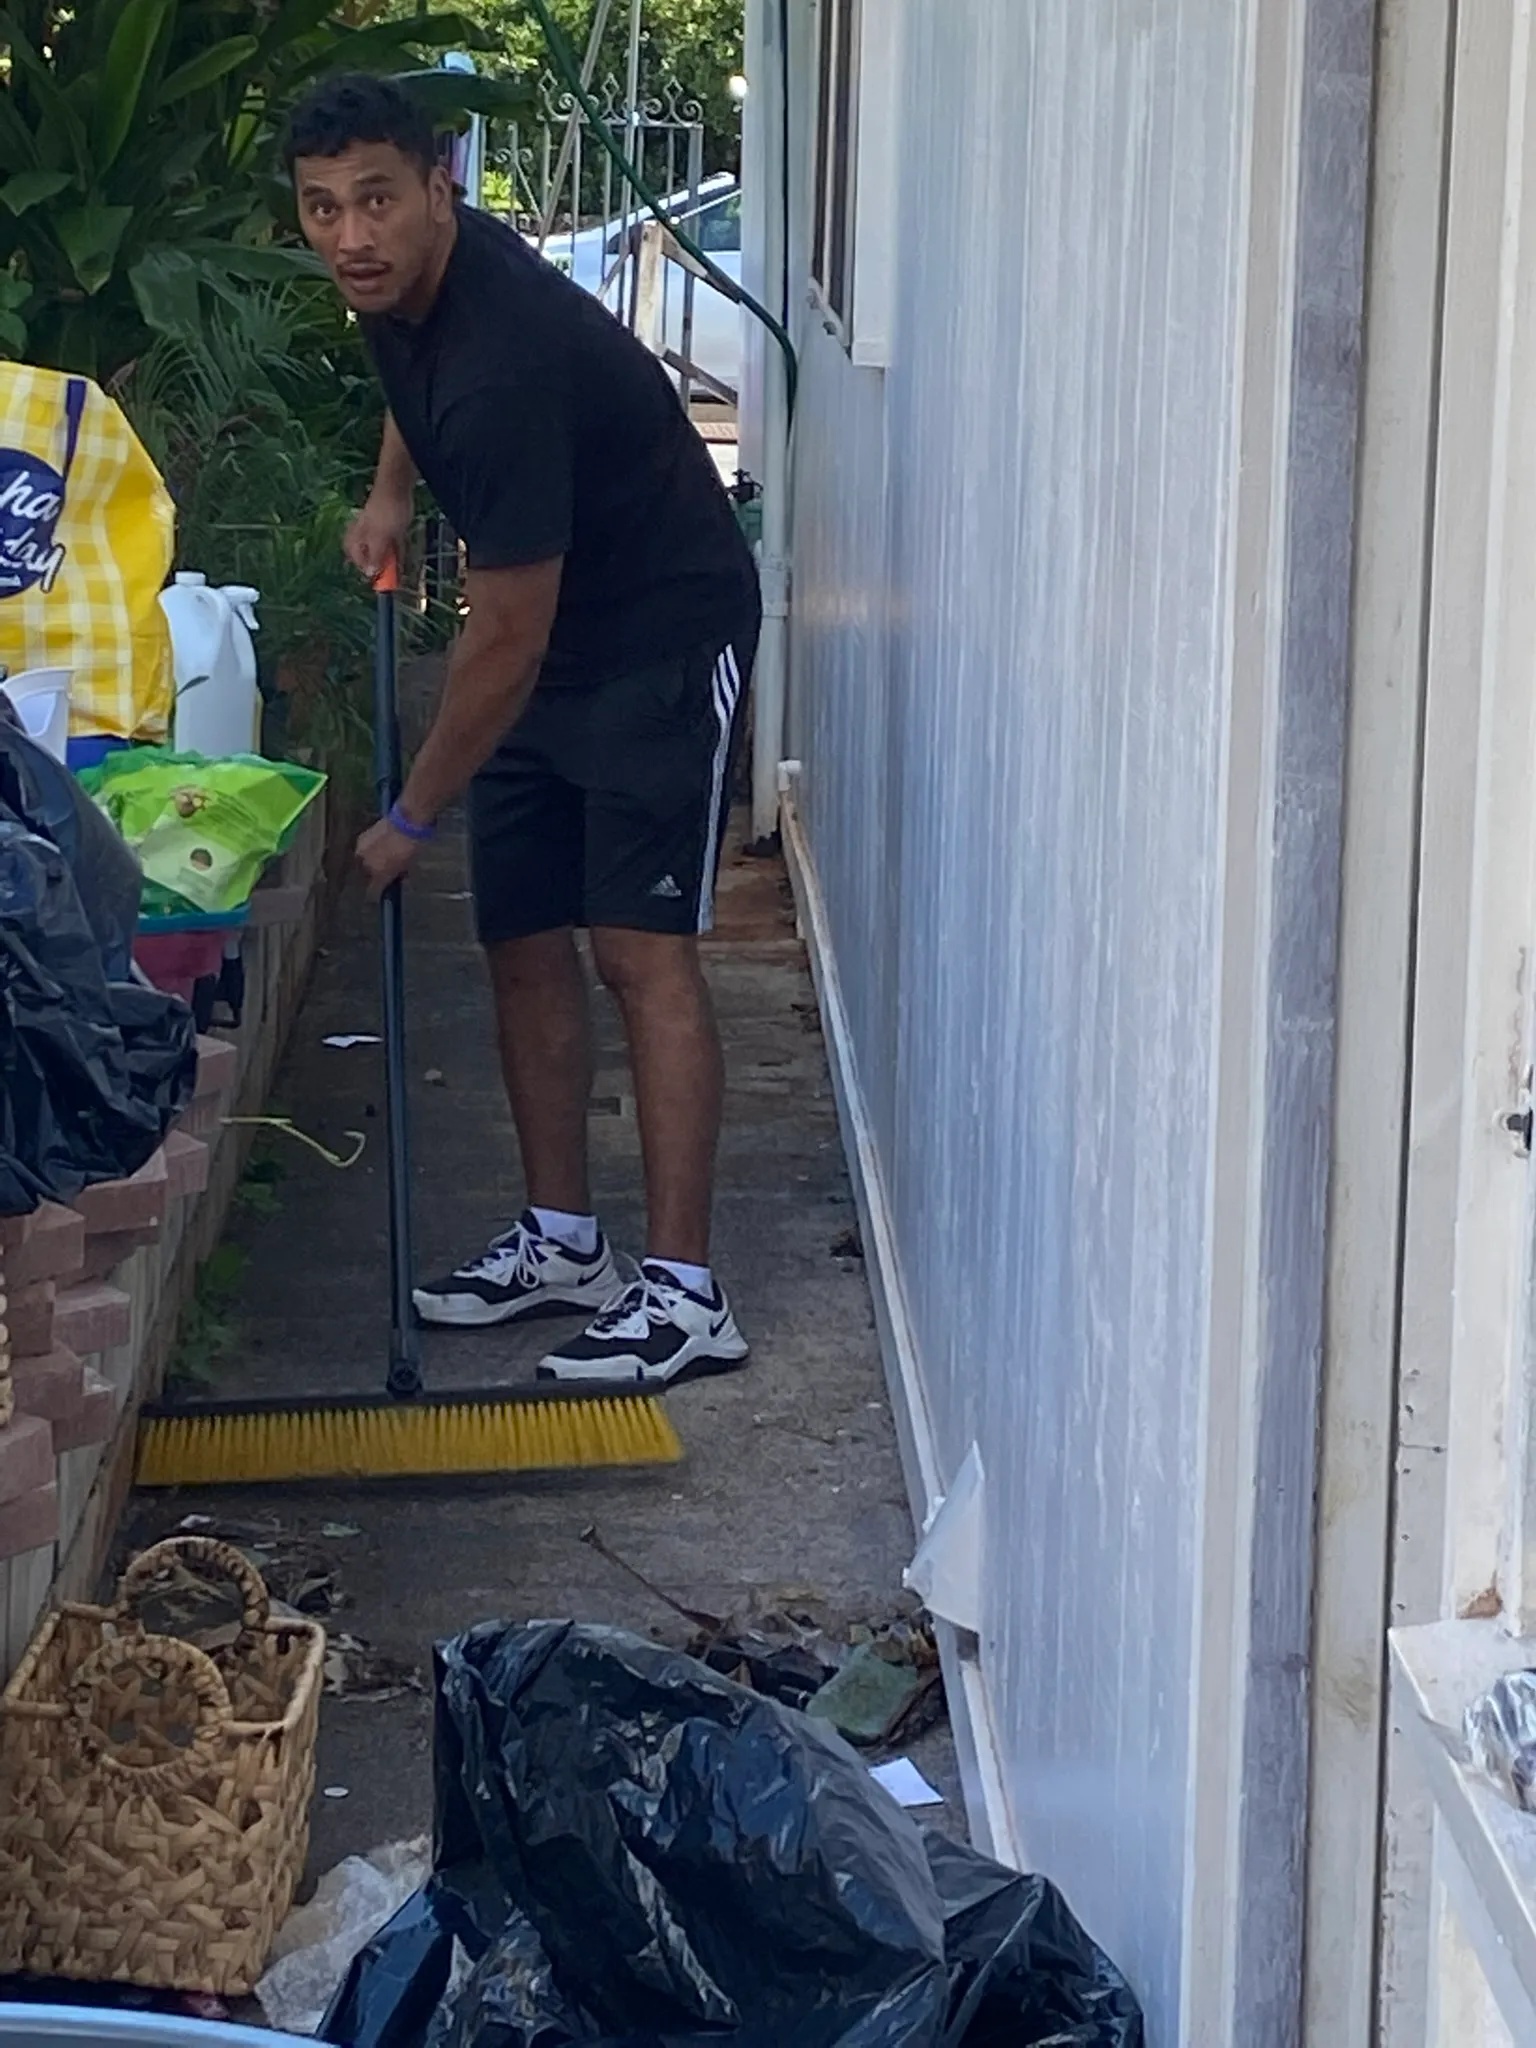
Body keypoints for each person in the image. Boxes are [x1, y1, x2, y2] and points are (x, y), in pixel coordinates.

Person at [284, 73, 761, 1386]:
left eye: (376, 200)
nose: (350, 236)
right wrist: (389, 498)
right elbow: (406, 384)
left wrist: (406, 820)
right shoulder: (405, 287)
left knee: (638, 949)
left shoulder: (505, 359)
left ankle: (683, 1294)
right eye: (323, 209)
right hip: (553, 645)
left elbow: (503, 638)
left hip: (660, 634)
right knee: (521, 936)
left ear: (441, 186)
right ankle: (565, 1245)